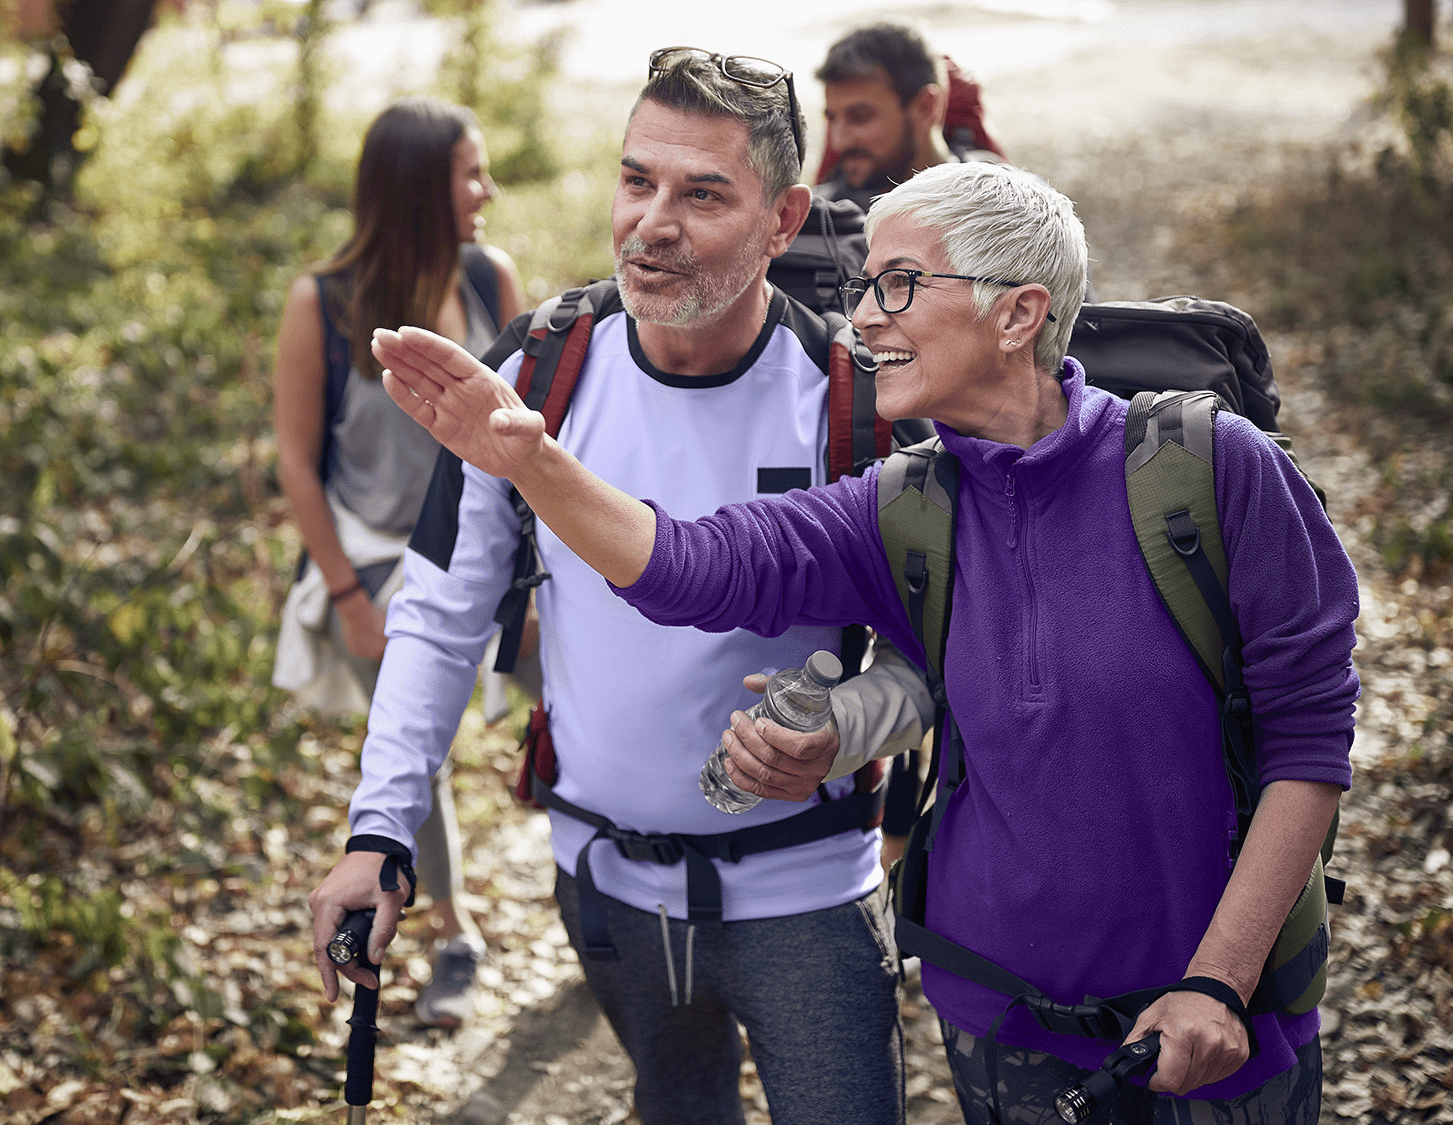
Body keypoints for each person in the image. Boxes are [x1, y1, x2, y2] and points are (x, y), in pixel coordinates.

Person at [371, 159, 1357, 1123]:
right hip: (993, 1019)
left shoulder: (1212, 473)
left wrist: (1218, 984)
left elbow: (1307, 743)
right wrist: (532, 461)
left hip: (1212, 1028)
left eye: (897, 284)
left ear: (1015, 314)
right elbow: (690, 568)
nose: (864, 318)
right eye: (863, 287)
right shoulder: (900, 508)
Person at [308, 49, 934, 1125]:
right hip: (604, 889)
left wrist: (850, 722)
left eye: (701, 194)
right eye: (636, 180)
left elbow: (940, 652)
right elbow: (439, 616)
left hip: (807, 893)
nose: (652, 222)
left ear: (782, 221)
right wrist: (380, 832)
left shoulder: (849, 403)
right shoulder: (536, 376)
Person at [270, 97, 527, 1028]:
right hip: (380, 563)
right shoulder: (323, 303)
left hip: (496, 552)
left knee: (583, 682)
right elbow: (296, 461)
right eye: (471, 172)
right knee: (412, 742)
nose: (486, 189)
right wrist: (344, 593)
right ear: (422, 187)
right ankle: (458, 933)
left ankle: (612, 876)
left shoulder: (490, 280)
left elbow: (533, 435)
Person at [815, 23, 1001, 211]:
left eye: (860, 117)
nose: (839, 141)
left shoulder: (1004, 207)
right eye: (831, 119)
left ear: (926, 107)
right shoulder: (810, 217)